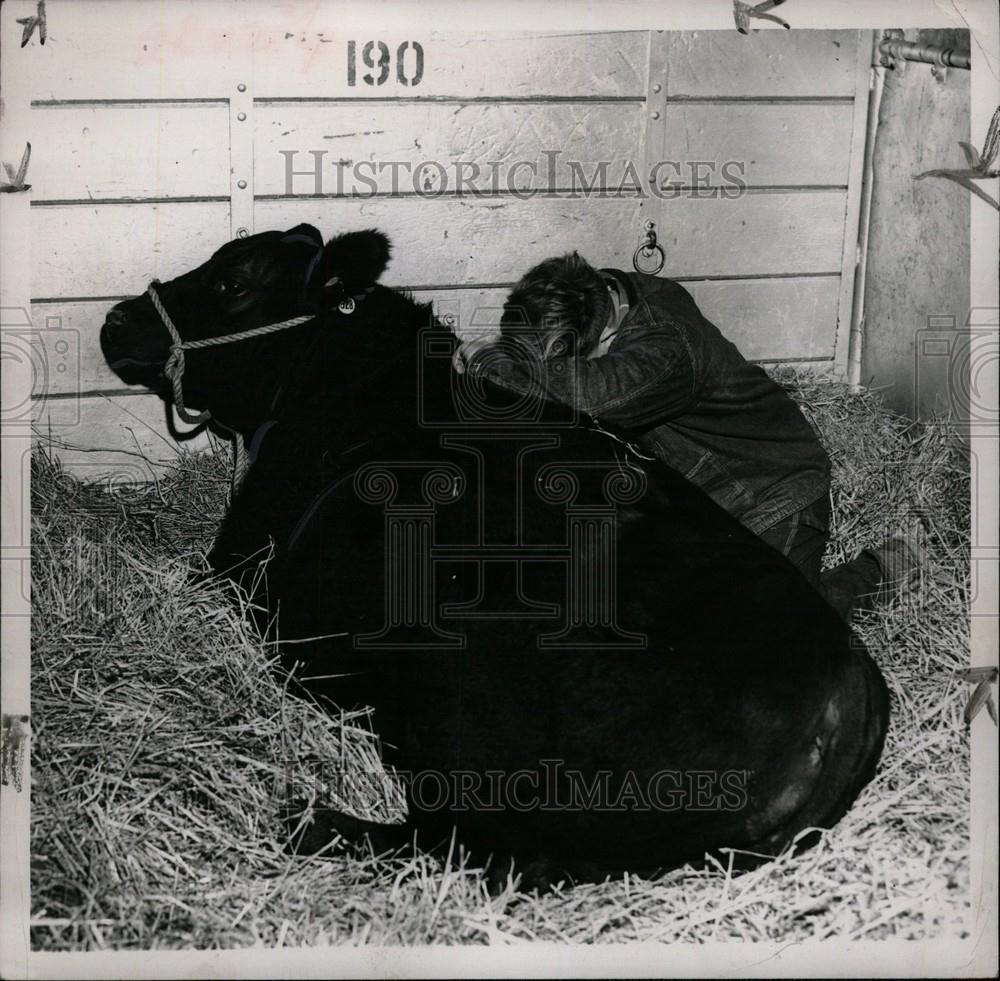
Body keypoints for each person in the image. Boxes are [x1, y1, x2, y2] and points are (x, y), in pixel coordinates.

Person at [453, 251, 924, 621]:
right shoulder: (611, 297)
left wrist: (489, 362)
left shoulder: (664, 349)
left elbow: (588, 396)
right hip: (705, 500)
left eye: (563, 364)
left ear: (598, 338)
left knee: (771, 627)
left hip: (770, 493)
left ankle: (882, 569)